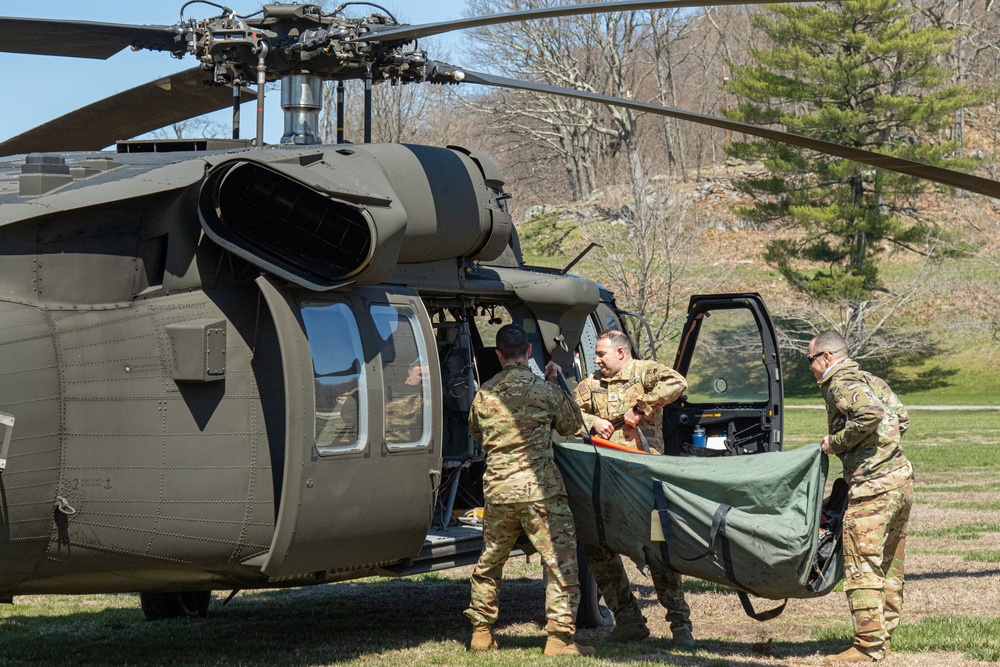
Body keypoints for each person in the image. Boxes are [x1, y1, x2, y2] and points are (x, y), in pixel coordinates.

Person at [465, 324, 595, 657]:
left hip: (499, 492)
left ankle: (481, 632)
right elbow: (570, 424)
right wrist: (555, 384)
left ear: (498, 355)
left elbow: (476, 434)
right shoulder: (543, 389)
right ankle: (558, 639)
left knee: (490, 562)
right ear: (529, 353)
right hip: (542, 493)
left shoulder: (484, 393)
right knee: (559, 562)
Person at [573, 330, 694, 646]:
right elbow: (568, 408)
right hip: (606, 482)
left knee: (658, 551)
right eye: (596, 355)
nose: (597, 360)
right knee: (597, 549)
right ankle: (628, 621)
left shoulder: (645, 372)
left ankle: (680, 627)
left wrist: (641, 409)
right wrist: (591, 421)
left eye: (601, 354)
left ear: (622, 353)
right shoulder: (592, 385)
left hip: (644, 483)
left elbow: (678, 382)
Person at [808, 331, 913, 664]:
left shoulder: (841, 383)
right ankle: (883, 639)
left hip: (873, 488)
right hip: (900, 483)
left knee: (863, 568)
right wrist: (881, 447)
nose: (810, 367)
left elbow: (870, 414)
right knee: (889, 567)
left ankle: (867, 647)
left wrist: (836, 443)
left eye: (810, 360)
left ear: (826, 357)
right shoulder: (871, 379)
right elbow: (902, 418)